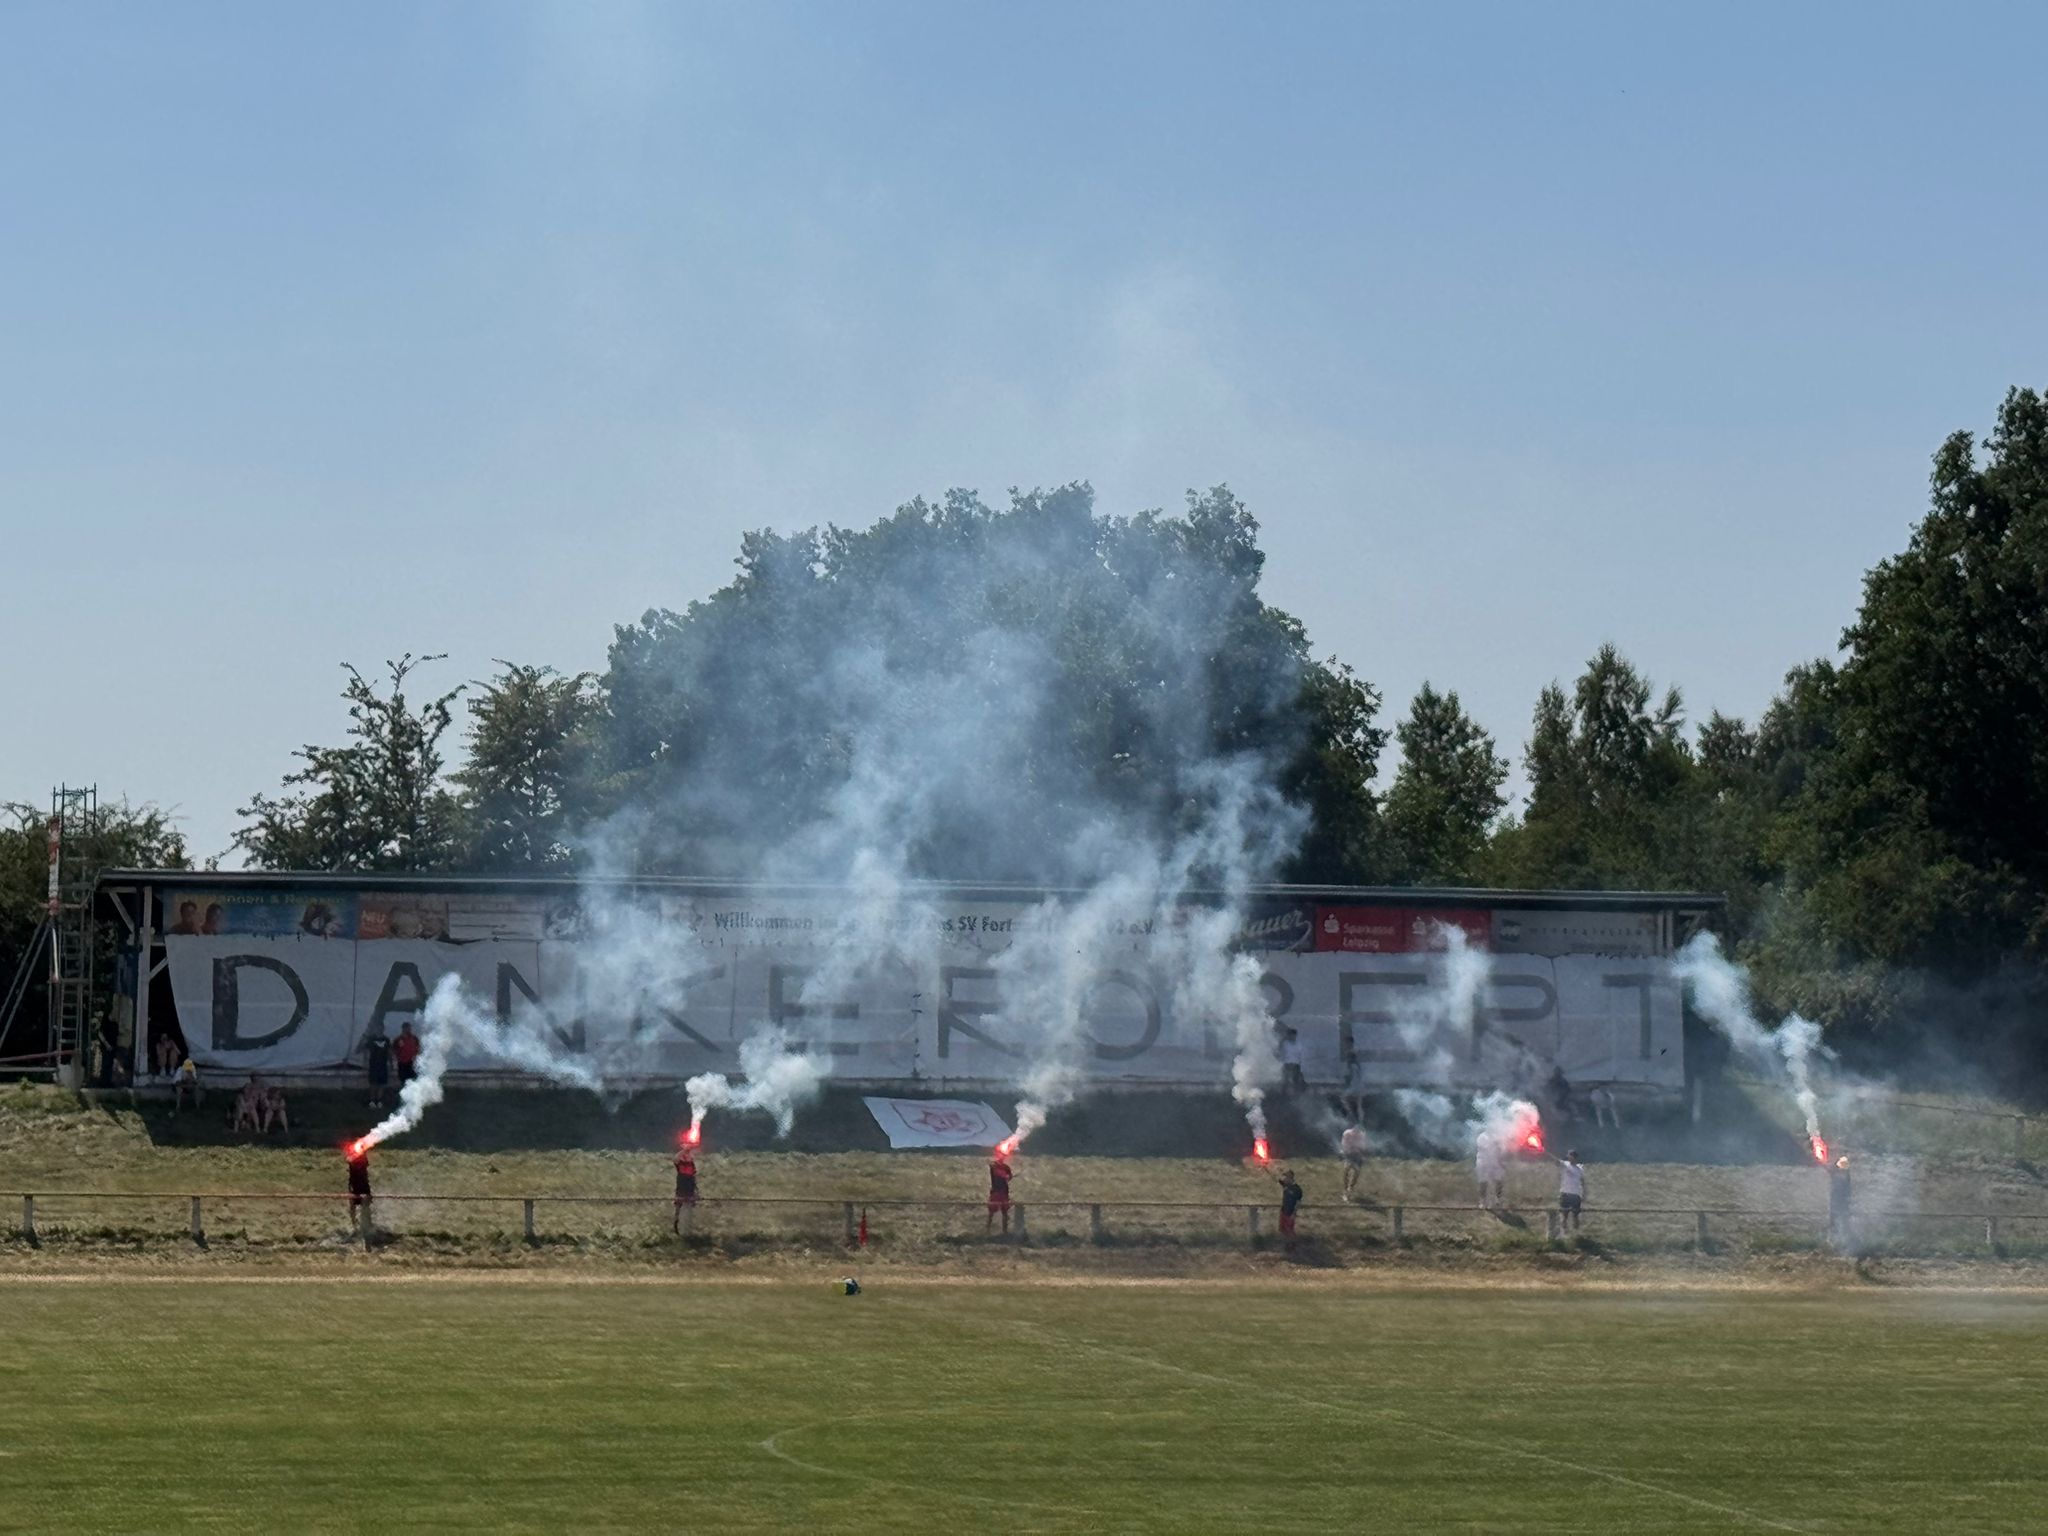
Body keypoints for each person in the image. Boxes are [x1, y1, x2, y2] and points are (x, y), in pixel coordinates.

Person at [1556, 1148, 1586, 1232]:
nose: (1570, 1158)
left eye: (1572, 1156)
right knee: (1564, 1215)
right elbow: (1557, 1161)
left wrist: (1583, 1193)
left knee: (1575, 1216)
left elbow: (1582, 1182)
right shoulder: (1565, 1165)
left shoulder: (1580, 1168)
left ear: (1575, 1157)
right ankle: (1564, 1233)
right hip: (1565, 1193)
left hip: (1575, 1195)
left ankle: (1576, 1234)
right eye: (1569, 1156)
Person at [673, 1141, 699, 1235]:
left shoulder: (691, 1164)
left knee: (689, 1206)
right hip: (682, 1185)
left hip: (689, 1186)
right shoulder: (680, 1163)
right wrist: (684, 1150)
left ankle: (687, 1229)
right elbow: (675, 1159)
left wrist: (696, 1190)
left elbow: (694, 1176)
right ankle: (676, 1224)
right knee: (678, 1206)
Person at [1475, 1130, 1505, 1210]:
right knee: (1483, 1182)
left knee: (1498, 1181)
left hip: (1495, 1163)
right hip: (1483, 1162)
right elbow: (1483, 1148)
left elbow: (1501, 1149)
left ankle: (1497, 1200)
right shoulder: (1482, 1137)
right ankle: (1483, 1201)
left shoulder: (1498, 1136)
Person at [346, 1144, 373, 1236]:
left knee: (365, 1206)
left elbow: (364, 1163)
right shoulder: (351, 1158)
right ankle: (355, 1227)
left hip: (363, 1185)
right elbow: (349, 1161)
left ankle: (367, 1226)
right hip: (354, 1185)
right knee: (352, 1206)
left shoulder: (363, 1159)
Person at [987, 1149, 1014, 1235]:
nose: (1002, 1157)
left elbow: (1010, 1176)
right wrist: (1005, 1176)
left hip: (1004, 1192)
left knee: (1005, 1213)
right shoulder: (993, 1165)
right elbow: (997, 1172)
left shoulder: (1006, 1167)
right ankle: (987, 1230)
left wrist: (1008, 1177)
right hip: (995, 1191)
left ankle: (1005, 1232)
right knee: (991, 1213)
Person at [364, 1027, 392, 1110]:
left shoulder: (386, 1040)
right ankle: (372, 1101)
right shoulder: (371, 1039)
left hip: (383, 1065)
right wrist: (365, 1062)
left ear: (383, 1029)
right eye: (377, 1029)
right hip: (373, 1064)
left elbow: (389, 1052)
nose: (379, 1030)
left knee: (382, 1084)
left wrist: (391, 1063)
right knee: (373, 1084)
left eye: (380, 1029)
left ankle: (379, 1101)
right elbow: (366, 1051)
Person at [1829, 1154, 1853, 1248]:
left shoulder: (1844, 1178)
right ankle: (1836, 1241)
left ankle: (1842, 1242)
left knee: (1842, 1222)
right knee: (1836, 1222)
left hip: (1840, 1202)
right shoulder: (1842, 1176)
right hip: (1837, 1202)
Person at [1339, 1123, 1368, 1199]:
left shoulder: (1362, 1135)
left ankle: (1350, 1187)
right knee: (1346, 1170)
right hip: (1348, 1154)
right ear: (1353, 1130)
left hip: (1357, 1155)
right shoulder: (1347, 1134)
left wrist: (1360, 1153)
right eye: (1356, 1132)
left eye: (1358, 1132)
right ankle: (1345, 1189)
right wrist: (1347, 1151)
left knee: (1357, 1172)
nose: (1357, 1134)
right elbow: (1344, 1144)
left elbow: (1363, 1147)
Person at [1276, 1168, 1303, 1244]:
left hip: (1290, 1213)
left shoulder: (1297, 1189)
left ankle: (1293, 1244)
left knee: (1290, 1230)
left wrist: (1294, 1214)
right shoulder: (1285, 1185)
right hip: (1283, 1211)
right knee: (1282, 1229)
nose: (1284, 1179)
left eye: (1286, 1177)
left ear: (1290, 1178)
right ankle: (1286, 1244)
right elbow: (1276, 1178)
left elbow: (1298, 1202)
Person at [393, 1021, 422, 1089]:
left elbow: (418, 1048)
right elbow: (394, 1050)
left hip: (411, 1063)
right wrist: (397, 1058)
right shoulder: (398, 1039)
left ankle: (412, 1095)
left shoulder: (414, 1038)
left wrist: (416, 1056)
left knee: (412, 1080)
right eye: (407, 1028)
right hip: (402, 1063)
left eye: (409, 1028)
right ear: (403, 1028)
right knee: (403, 1081)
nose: (409, 1029)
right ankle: (403, 1095)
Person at [1278, 1027, 1306, 1095]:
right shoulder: (1285, 1044)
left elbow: (1301, 1055)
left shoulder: (1299, 1044)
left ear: (1295, 1035)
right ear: (1288, 1035)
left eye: (1293, 1035)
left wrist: (1302, 1066)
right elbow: (1279, 1050)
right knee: (1285, 1081)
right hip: (1287, 1064)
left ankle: (1296, 1094)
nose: (1292, 1036)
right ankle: (1283, 1094)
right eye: (1290, 1035)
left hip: (1296, 1064)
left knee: (1295, 1080)